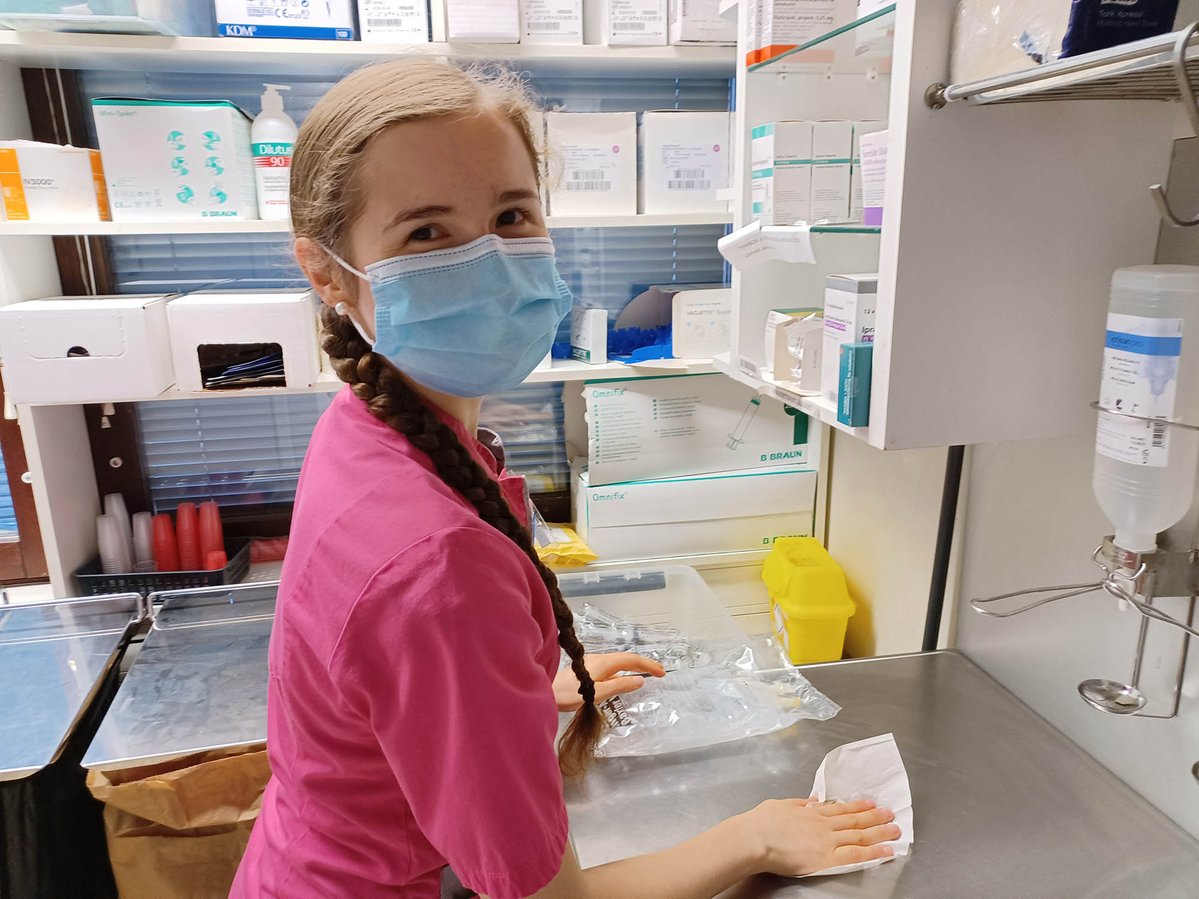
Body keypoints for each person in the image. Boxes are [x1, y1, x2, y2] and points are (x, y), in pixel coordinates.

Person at [229, 58, 898, 899]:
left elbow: (378, 681)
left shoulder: (365, 428)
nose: (487, 262)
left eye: (510, 215)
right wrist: (752, 836)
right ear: (327, 272)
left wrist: (493, 694)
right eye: (426, 233)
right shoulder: (438, 560)